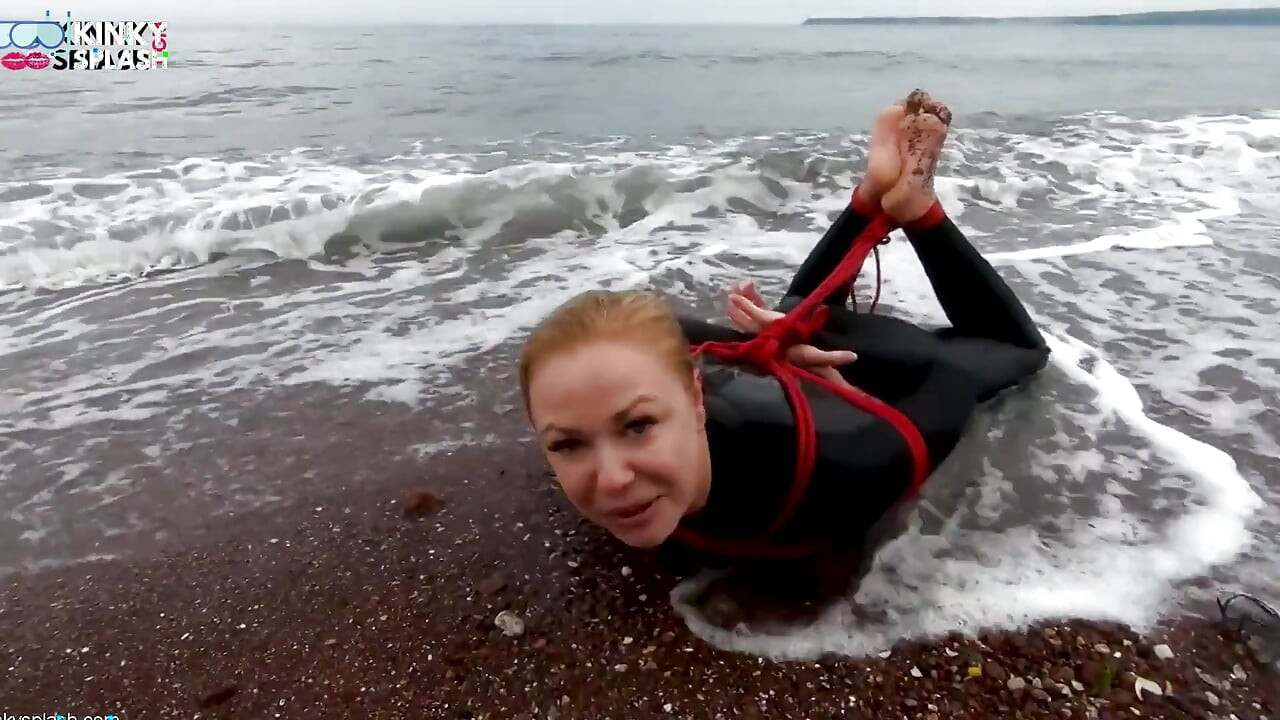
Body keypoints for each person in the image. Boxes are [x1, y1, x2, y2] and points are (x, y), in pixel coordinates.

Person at [517, 90, 1050, 572]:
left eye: (637, 426)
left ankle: (917, 210)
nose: (611, 480)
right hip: (782, 364)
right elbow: (646, 336)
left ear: (696, 398)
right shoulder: (597, 422)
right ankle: (867, 200)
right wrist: (769, 344)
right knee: (793, 311)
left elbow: (950, 382)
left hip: (870, 384)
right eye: (568, 444)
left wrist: (781, 345)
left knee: (1018, 352)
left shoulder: (843, 470)